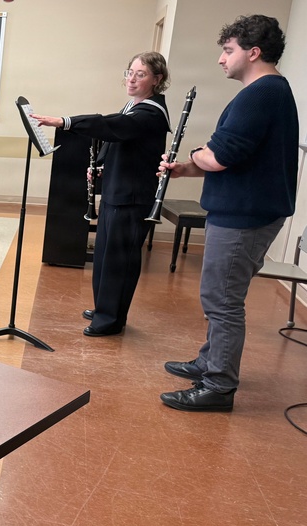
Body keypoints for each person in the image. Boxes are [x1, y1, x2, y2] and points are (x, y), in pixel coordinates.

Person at [158, 15, 298, 412]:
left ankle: (218, 386)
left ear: (253, 52)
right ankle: (209, 362)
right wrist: (189, 166)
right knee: (220, 296)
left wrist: (199, 154)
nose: (222, 59)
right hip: (246, 211)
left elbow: (221, 155)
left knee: (222, 300)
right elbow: (232, 154)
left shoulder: (262, 93)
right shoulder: (266, 92)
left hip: (245, 215)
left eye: (228, 50)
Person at [31, 52, 172, 337]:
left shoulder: (151, 112)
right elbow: (117, 139)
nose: (131, 79)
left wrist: (65, 121)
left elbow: (114, 127)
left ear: (157, 80)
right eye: (129, 72)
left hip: (132, 198)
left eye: (140, 74)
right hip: (116, 191)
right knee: (106, 256)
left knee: (120, 260)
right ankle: (103, 307)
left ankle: (111, 319)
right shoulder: (134, 104)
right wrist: (101, 167)